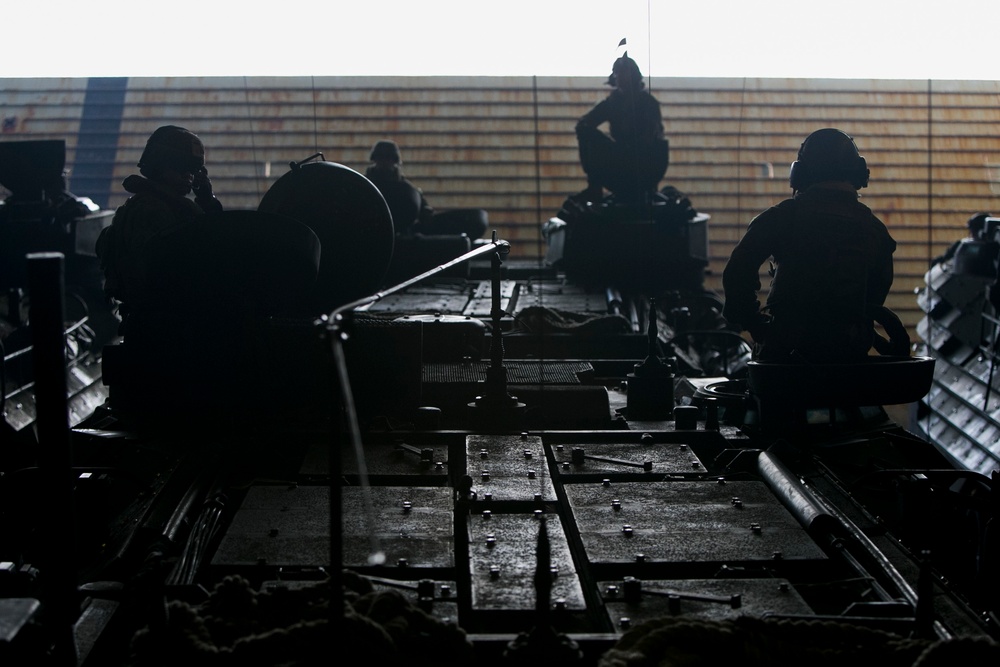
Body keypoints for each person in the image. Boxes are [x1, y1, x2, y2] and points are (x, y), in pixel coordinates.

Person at [722, 128, 898, 363]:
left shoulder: (781, 218)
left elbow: (737, 272)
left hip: (784, 361)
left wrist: (755, 324)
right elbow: (876, 298)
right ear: (859, 173)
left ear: (799, 173)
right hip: (848, 363)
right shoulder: (875, 231)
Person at [95, 125, 222, 318]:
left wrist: (207, 200)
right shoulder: (151, 209)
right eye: (182, 168)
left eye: (193, 170)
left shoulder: (166, 204)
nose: (189, 176)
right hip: (160, 321)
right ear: (161, 166)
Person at [574, 53, 669, 204]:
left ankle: (648, 190)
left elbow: (653, 138)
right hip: (619, 157)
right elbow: (584, 124)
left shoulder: (648, 103)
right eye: (618, 74)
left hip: (642, 162)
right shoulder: (613, 102)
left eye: (624, 73)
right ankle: (594, 187)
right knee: (585, 132)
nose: (621, 78)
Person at [364, 140, 487, 238]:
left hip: (402, 240)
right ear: (374, 159)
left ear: (394, 161)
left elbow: (423, 212)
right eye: (381, 157)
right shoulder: (364, 186)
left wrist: (425, 214)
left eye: (388, 158)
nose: (385, 162)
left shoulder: (406, 190)